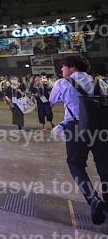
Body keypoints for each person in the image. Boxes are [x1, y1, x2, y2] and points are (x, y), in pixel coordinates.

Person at [49, 55, 108, 225]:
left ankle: (93, 199)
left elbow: (52, 99)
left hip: (76, 129)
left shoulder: (62, 83)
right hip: (101, 128)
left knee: (75, 163)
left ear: (72, 67)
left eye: (63, 66)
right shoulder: (99, 83)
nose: (61, 69)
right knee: (104, 167)